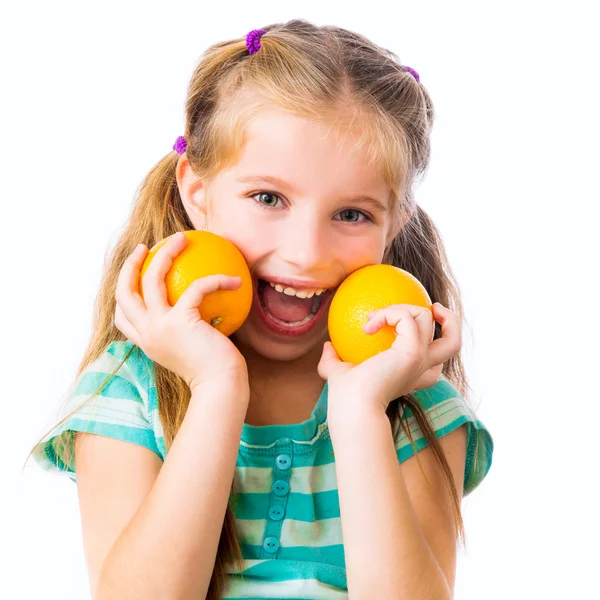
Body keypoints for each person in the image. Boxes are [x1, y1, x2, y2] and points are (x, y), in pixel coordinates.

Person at [30, 19, 493, 600]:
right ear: (197, 193)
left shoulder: (415, 404)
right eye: (268, 198)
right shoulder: (130, 390)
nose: (305, 253)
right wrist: (218, 388)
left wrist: (360, 414)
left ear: (395, 224)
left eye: (352, 214)